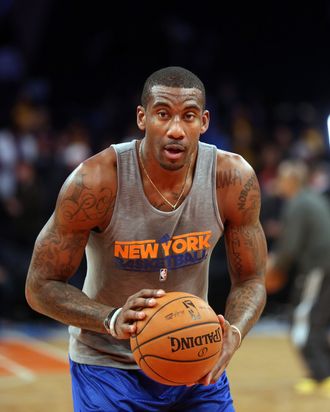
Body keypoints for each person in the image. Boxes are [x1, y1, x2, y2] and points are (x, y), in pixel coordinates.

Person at [25, 66, 267, 411]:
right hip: (107, 366)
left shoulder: (232, 178)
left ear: (205, 122)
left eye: (188, 116)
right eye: (163, 114)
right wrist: (110, 318)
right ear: (142, 118)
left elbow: (252, 279)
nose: (176, 130)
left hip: (194, 356)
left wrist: (235, 333)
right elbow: (40, 286)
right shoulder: (95, 182)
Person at [265, 159, 330, 397]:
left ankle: (321, 375)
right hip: (324, 265)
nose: (278, 183)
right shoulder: (313, 198)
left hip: (317, 267)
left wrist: (274, 268)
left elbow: (289, 247)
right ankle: (324, 372)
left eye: (281, 179)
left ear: (291, 180)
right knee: (316, 320)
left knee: (302, 319)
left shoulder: (297, 204)